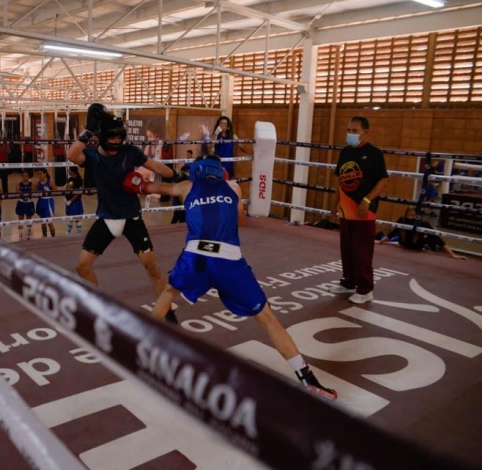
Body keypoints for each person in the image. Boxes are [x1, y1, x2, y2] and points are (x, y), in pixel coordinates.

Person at [122, 154, 337, 400]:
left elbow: (149, 187)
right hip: (228, 260)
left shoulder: (186, 186)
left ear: (197, 171)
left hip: (196, 257)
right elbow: (241, 221)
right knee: (266, 316)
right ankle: (307, 377)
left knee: (168, 293)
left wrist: (131, 179)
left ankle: (138, 348)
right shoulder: (233, 187)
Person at [66, 103, 179, 297]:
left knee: (152, 267)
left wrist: (177, 174)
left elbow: (156, 167)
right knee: (82, 267)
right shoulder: (93, 157)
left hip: (132, 219)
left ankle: (167, 312)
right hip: (106, 219)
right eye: (112, 137)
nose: (116, 141)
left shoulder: (129, 152)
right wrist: (88, 131)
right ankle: (100, 304)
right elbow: (71, 155)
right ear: (103, 137)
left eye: (119, 137)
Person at [329, 116, 389, 305]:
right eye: (349, 130)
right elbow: (339, 179)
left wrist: (367, 200)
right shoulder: (345, 152)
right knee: (346, 249)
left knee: (362, 251)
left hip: (364, 210)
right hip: (346, 209)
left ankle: (365, 289)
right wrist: (334, 203)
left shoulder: (374, 154)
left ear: (365, 132)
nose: (350, 134)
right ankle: (349, 282)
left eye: (354, 131)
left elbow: (383, 180)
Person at [378, 206, 466, 260]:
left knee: (430, 238)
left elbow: (437, 239)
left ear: (417, 216)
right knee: (395, 236)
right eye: (408, 215)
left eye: (412, 215)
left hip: (417, 247)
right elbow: (393, 233)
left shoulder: (422, 223)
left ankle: (430, 246)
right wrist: (381, 241)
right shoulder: (402, 220)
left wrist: (453, 255)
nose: (410, 217)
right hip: (404, 244)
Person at [171, 149, 194, 224]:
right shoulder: (182, 180)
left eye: (188, 154)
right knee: (177, 217)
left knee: (181, 218)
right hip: (179, 202)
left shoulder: (192, 164)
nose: (187, 156)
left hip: (182, 201)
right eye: (186, 154)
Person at [35, 168, 56, 238]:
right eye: (38, 174)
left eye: (40, 174)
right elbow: (35, 193)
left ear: (45, 174)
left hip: (48, 202)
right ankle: (44, 235)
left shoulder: (50, 182)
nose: (39, 176)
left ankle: (53, 236)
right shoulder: (38, 183)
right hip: (41, 201)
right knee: (42, 220)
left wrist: (49, 192)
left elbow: (56, 192)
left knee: (49, 220)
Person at [15, 171, 35, 241]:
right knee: (20, 218)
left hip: (29, 202)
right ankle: (20, 236)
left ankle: (29, 234)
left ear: (28, 176)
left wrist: (25, 194)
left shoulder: (31, 184)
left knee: (29, 218)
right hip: (21, 202)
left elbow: (32, 193)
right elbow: (17, 192)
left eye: (26, 176)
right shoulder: (18, 184)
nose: (25, 177)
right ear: (22, 176)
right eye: (23, 176)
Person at [64, 166, 84, 235]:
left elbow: (78, 193)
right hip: (69, 201)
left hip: (76, 202)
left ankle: (79, 233)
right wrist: (66, 198)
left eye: (69, 170)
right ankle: (67, 233)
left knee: (77, 218)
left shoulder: (78, 180)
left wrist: (71, 200)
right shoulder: (70, 179)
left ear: (73, 172)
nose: (68, 172)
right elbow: (68, 188)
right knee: (70, 217)